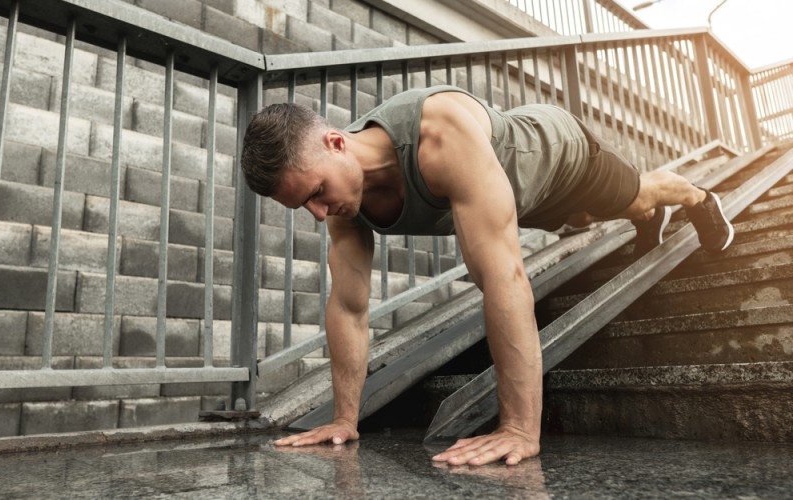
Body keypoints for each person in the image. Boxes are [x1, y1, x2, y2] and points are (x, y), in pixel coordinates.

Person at [240, 85, 734, 466]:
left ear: (335, 143)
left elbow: (504, 278)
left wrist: (519, 428)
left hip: (557, 158)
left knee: (633, 197)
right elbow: (350, 305)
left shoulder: (440, 135)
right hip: (516, 200)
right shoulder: (344, 203)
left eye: (318, 192)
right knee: (582, 221)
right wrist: (344, 419)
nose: (320, 214)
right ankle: (640, 216)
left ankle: (690, 196)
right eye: (305, 204)